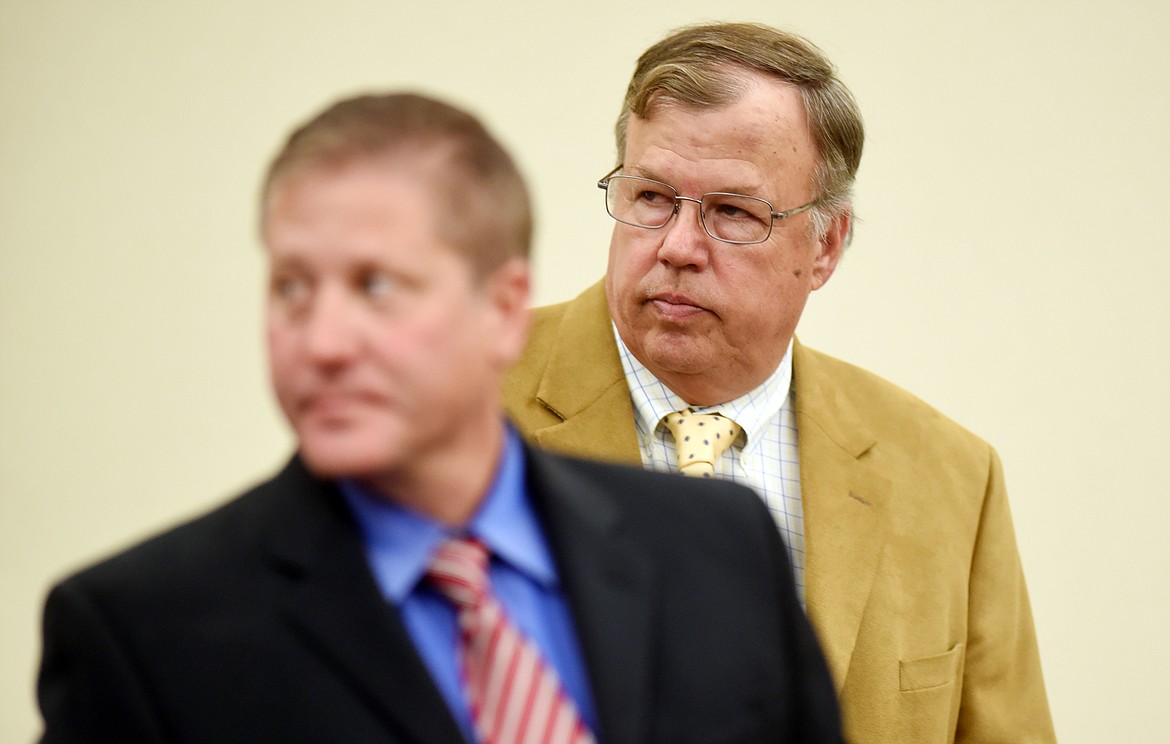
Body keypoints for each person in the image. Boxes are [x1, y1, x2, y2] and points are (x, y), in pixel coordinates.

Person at [36, 92, 843, 744]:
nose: (322, 343)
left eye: (377, 287)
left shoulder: (719, 547)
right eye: (291, 288)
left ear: (500, 309)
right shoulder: (143, 635)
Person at [504, 21, 1055, 744]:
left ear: (824, 245)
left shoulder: (952, 479)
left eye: (732, 212)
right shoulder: (457, 409)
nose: (676, 247)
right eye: (651, 197)